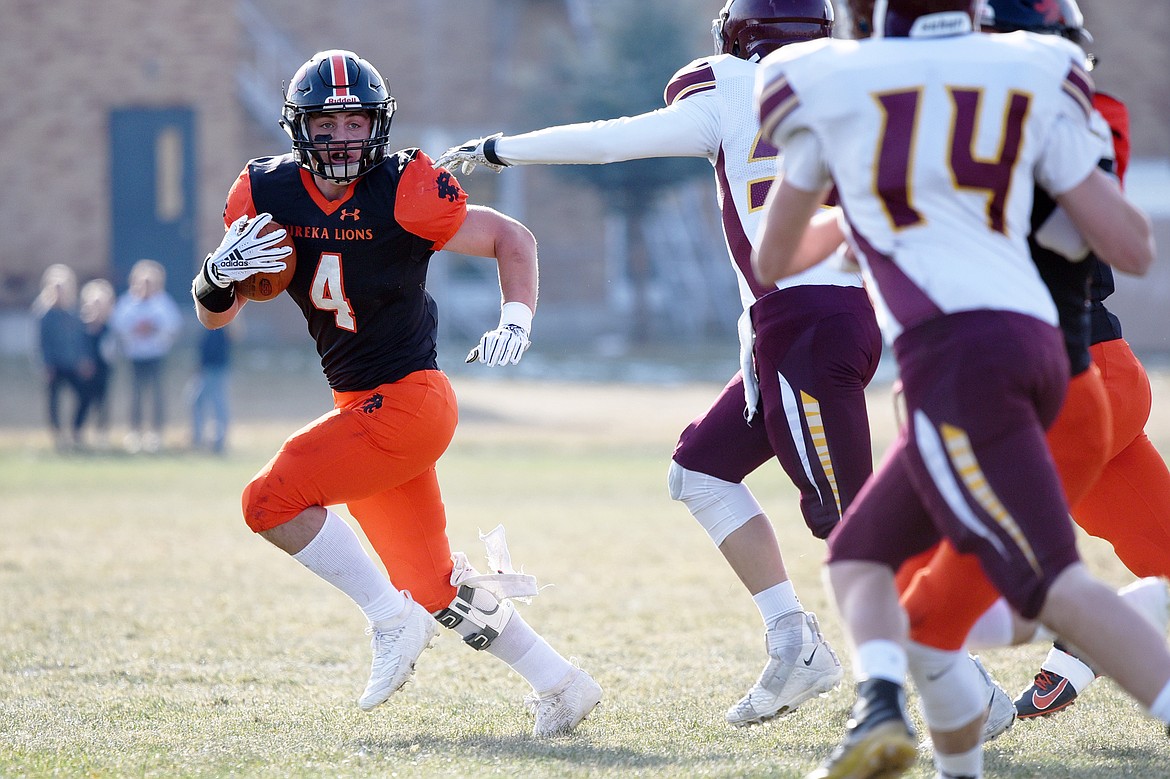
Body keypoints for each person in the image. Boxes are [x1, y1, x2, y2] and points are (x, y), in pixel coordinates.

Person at [752, 2, 1170, 777]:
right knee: (862, 559)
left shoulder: (830, 84)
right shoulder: (1033, 77)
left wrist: (851, 211)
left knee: (1036, 588)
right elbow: (1130, 244)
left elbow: (772, 257)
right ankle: (900, 724)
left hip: (965, 360)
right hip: (1060, 354)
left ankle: (1133, 618)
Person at [437, 0, 881, 727]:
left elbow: (613, 141)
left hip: (806, 326)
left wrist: (500, 150)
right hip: (812, 321)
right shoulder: (852, 86)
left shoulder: (733, 87)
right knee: (700, 469)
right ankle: (794, 641)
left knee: (857, 527)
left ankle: (959, 682)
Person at [190, 49, 600, 737]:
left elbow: (511, 236)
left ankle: (388, 619)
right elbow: (216, 316)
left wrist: (517, 318)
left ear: (376, 125)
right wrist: (215, 274)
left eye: (356, 122)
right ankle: (561, 683)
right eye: (328, 123)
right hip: (362, 408)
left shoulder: (405, 186)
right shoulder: (265, 193)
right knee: (432, 582)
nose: (344, 137)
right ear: (301, 128)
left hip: (412, 399)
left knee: (268, 500)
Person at [891, 0, 1170, 728]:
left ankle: (1058, 651)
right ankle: (1085, 648)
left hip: (1059, 383)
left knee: (932, 584)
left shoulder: (1049, 117)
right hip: (1098, 378)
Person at [111, 258, 183, 453]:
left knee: (157, 394)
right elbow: (118, 326)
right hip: (134, 355)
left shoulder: (162, 303)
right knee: (135, 395)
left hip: (156, 355)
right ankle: (134, 432)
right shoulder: (127, 303)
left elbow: (173, 326)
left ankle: (156, 434)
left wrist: (153, 328)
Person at [31, 264, 92, 451]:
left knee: (85, 394)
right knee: (53, 401)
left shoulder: (74, 312)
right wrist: (45, 364)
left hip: (73, 364)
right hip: (54, 365)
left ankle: (76, 430)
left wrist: (83, 359)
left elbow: (81, 338)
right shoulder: (44, 314)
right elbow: (40, 343)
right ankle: (57, 435)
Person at [79, 278, 117, 450]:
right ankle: (78, 432)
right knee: (84, 401)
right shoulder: (83, 328)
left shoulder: (108, 328)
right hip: (86, 370)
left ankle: (101, 434)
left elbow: (111, 351)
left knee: (103, 403)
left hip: (103, 370)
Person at [190, 325, 232, 454]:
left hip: (214, 367)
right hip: (211, 367)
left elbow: (215, 346)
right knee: (201, 401)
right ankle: (204, 438)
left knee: (217, 403)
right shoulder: (212, 320)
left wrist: (203, 365)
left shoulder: (222, 322)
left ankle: (217, 440)